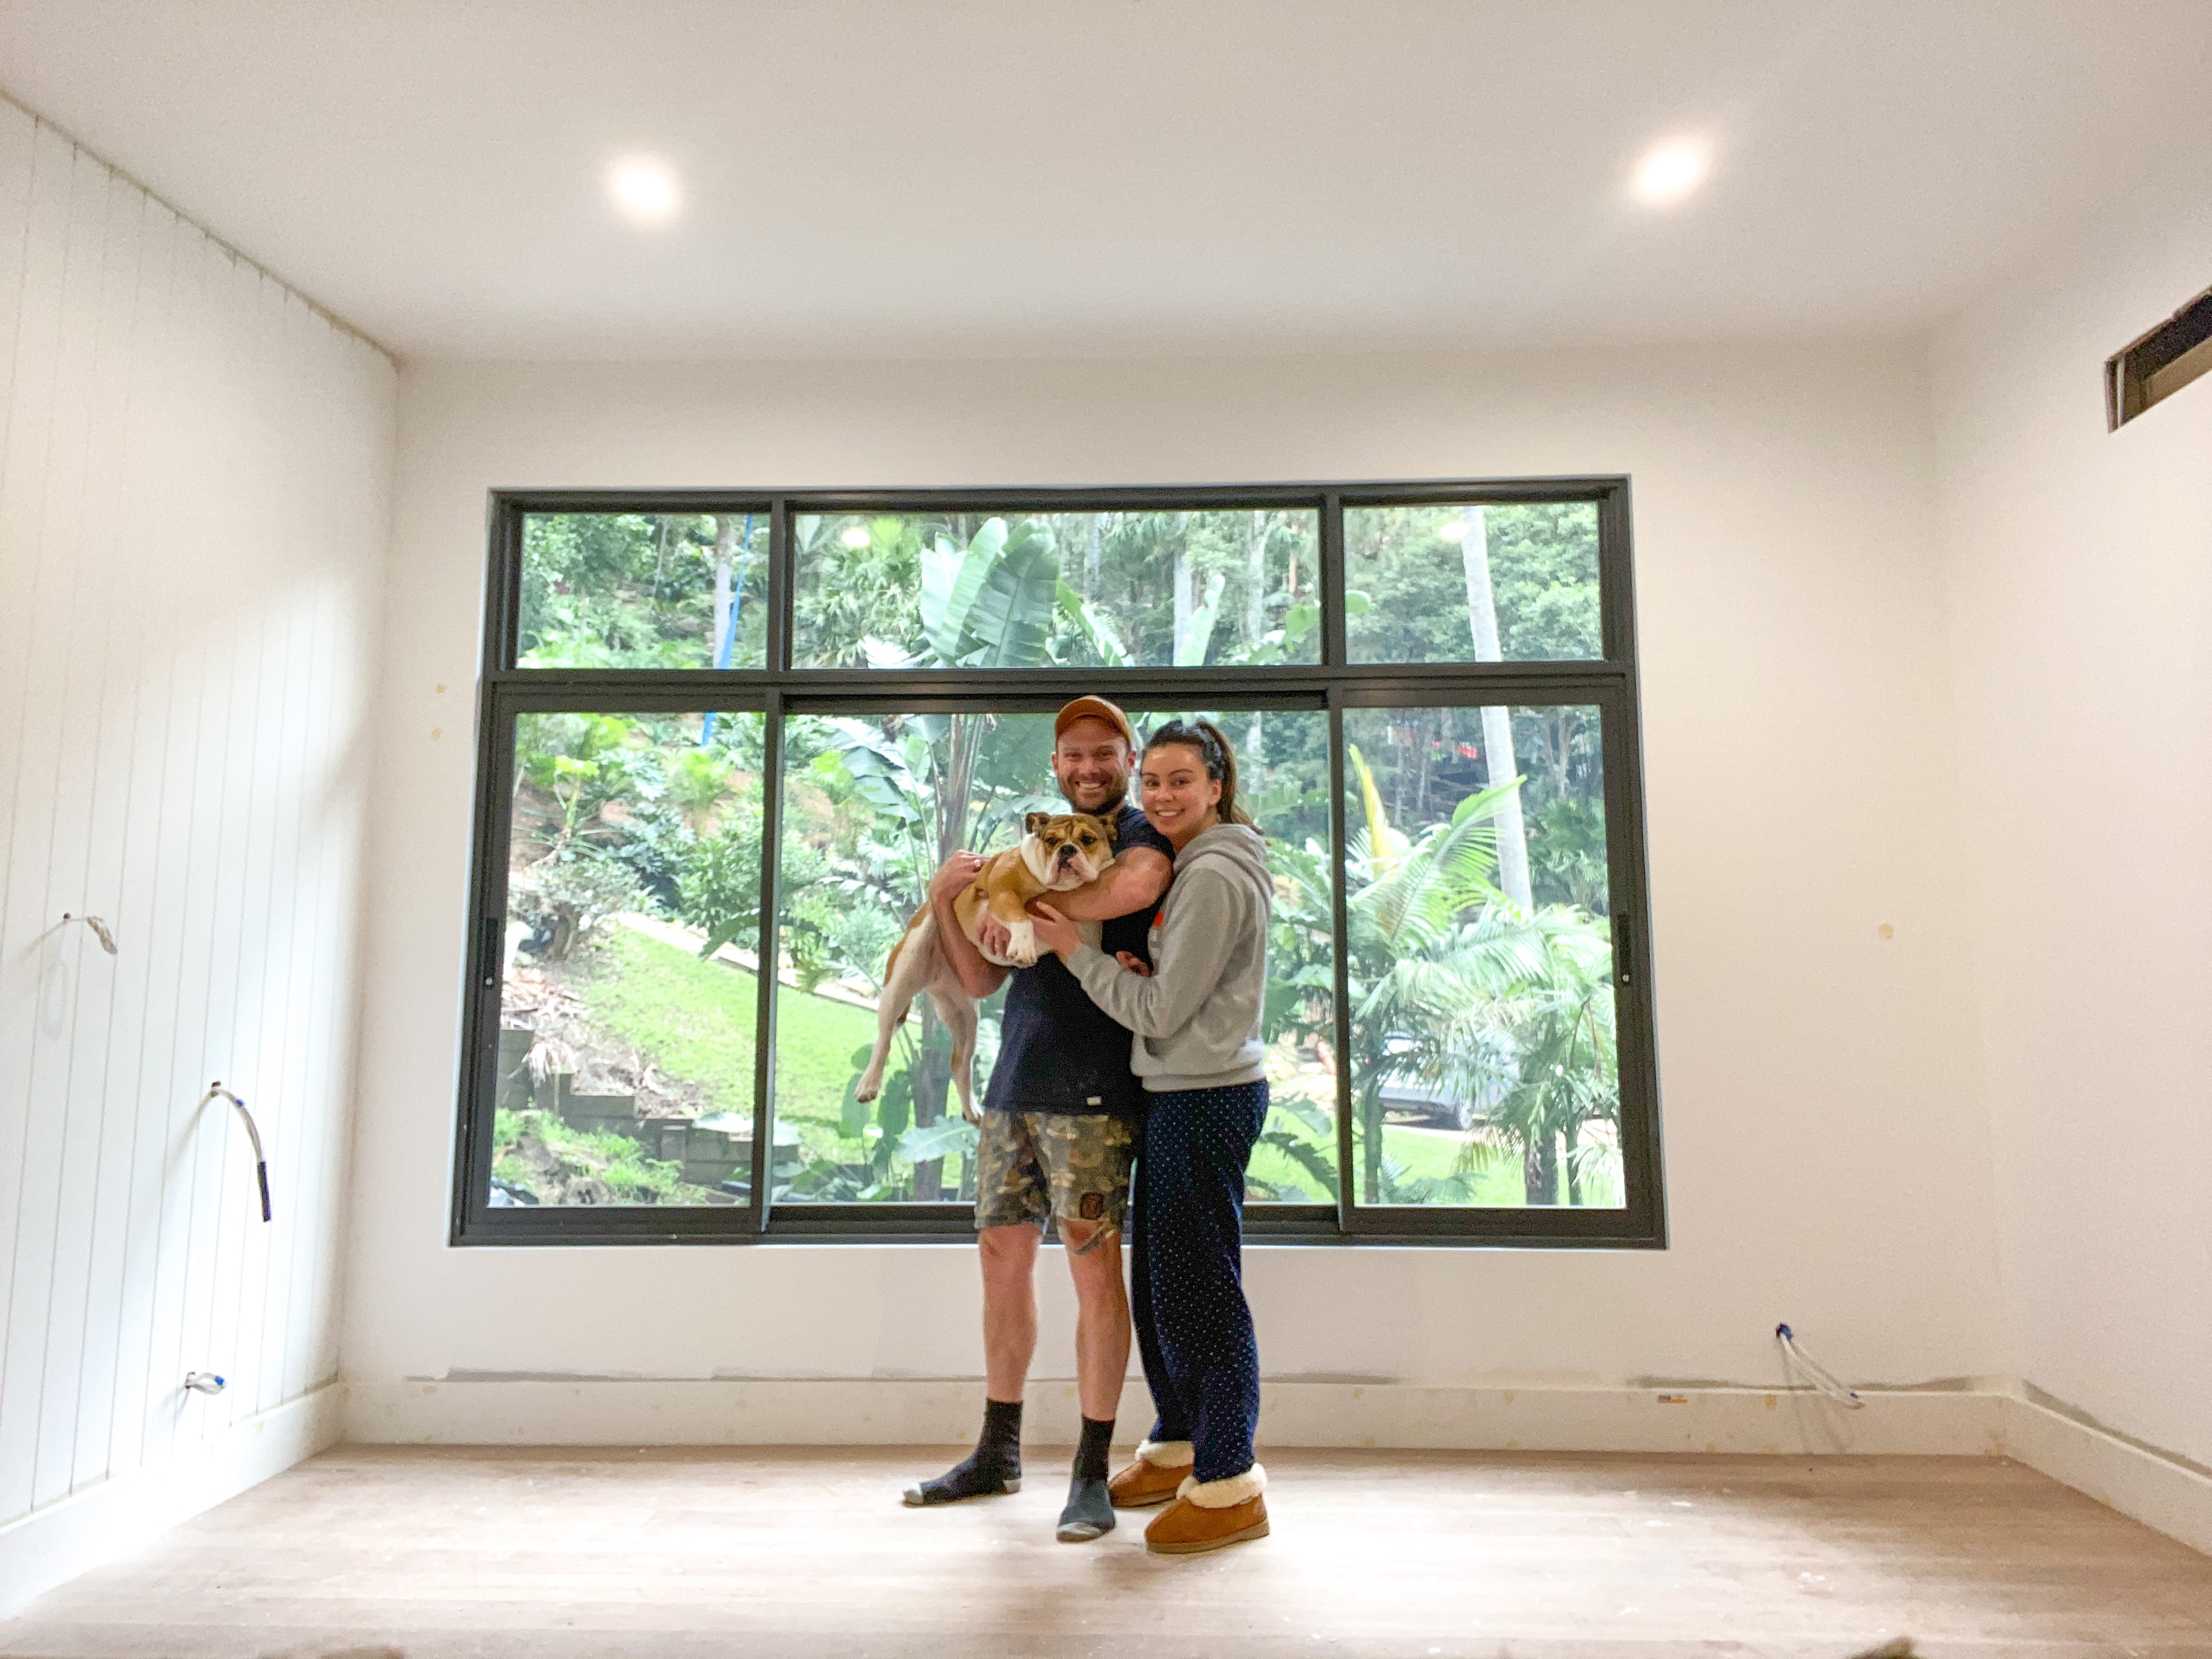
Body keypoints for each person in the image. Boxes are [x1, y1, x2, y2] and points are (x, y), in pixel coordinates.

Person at [901, 696, 1174, 1544]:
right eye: (1072, 755)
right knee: (1000, 1261)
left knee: (1095, 1274)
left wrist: (1022, 885)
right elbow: (982, 983)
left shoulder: (1135, 842)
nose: (1088, 767)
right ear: (1056, 766)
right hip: (1013, 1084)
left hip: (1094, 1093)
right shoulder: (1046, 843)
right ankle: (998, 1452)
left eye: (1104, 753)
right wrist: (954, 901)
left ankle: (1090, 1472)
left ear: (1127, 760)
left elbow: (1135, 887)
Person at [1029, 717, 1274, 1555]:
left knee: (1201, 1290)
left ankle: (1231, 1480)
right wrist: (1144, 977)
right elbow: (1181, 991)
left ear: (1215, 785)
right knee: (1164, 1282)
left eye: (1181, 780)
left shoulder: (1211, 874)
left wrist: (1075, 952)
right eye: (1156, 783)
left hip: (1207, 1096)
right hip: (1181, 1087)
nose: (1163, 796)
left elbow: (1168, 1013)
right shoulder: (1198, 864)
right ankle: (1180, 1445)